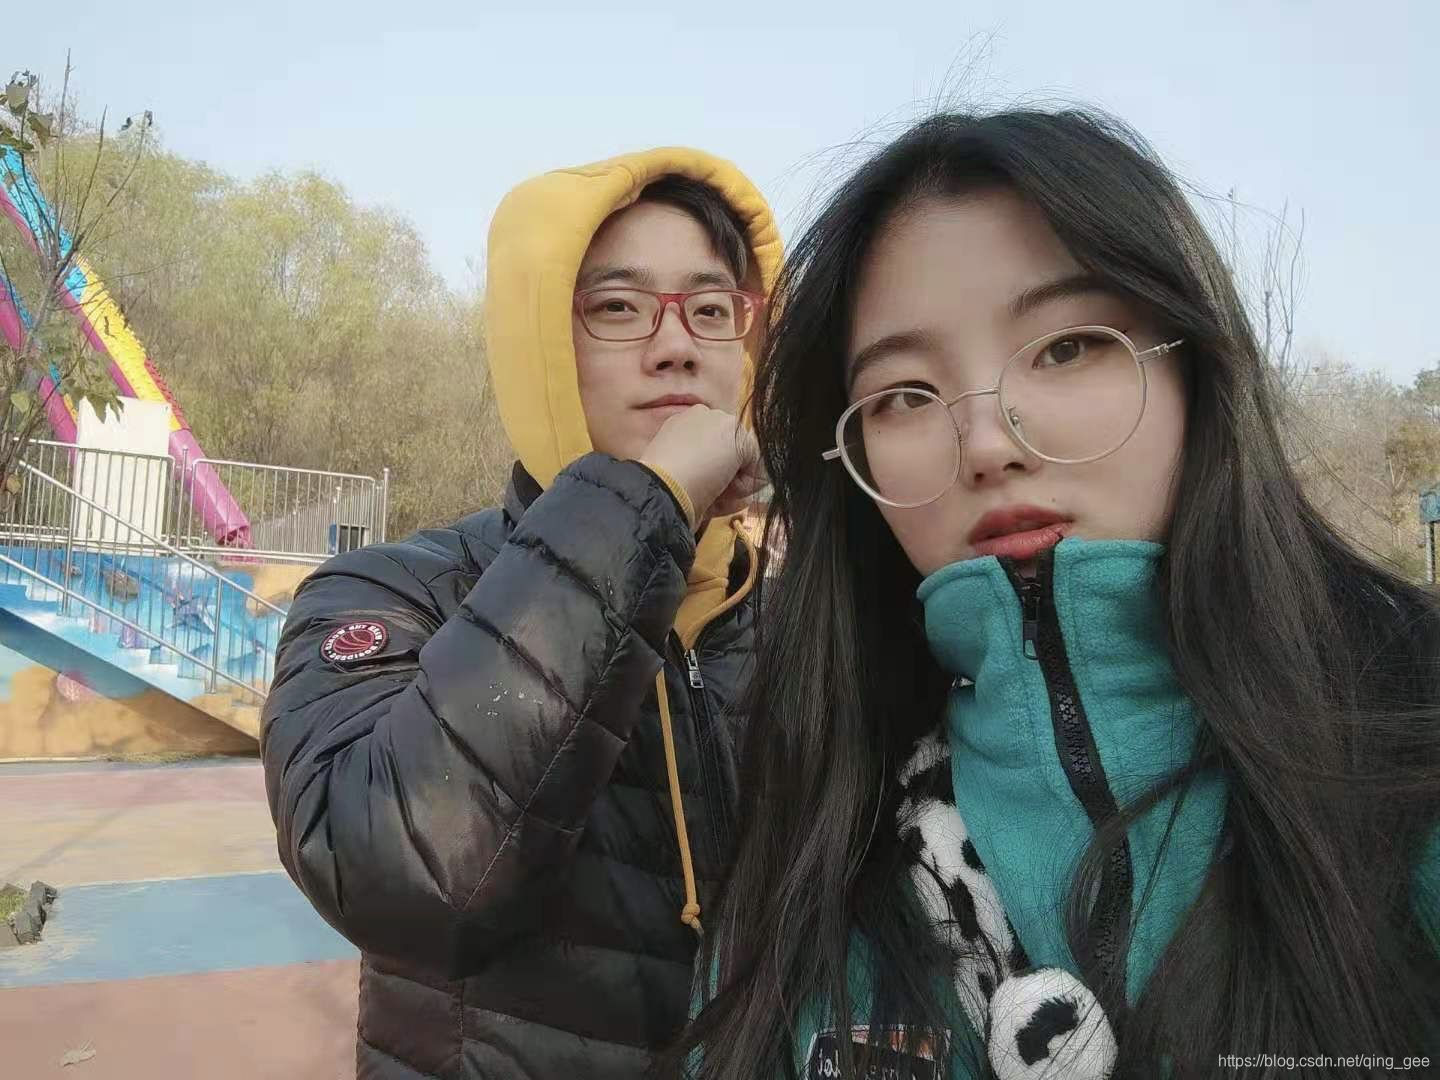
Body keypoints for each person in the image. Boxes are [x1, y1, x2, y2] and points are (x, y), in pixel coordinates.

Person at [672, 110, 1440, 1080]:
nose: (988, 444)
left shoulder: (1406, 743)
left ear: (1196, 367)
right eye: (905, 395)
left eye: (1068, 348)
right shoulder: (813, 837)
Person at [261, 148, 780, 1079]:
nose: (678, 346)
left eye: (711, 310)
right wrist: (646, 503)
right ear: (535, 343)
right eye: (617, 308)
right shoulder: (393, 592)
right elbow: (398, 876)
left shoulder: (797, 619)